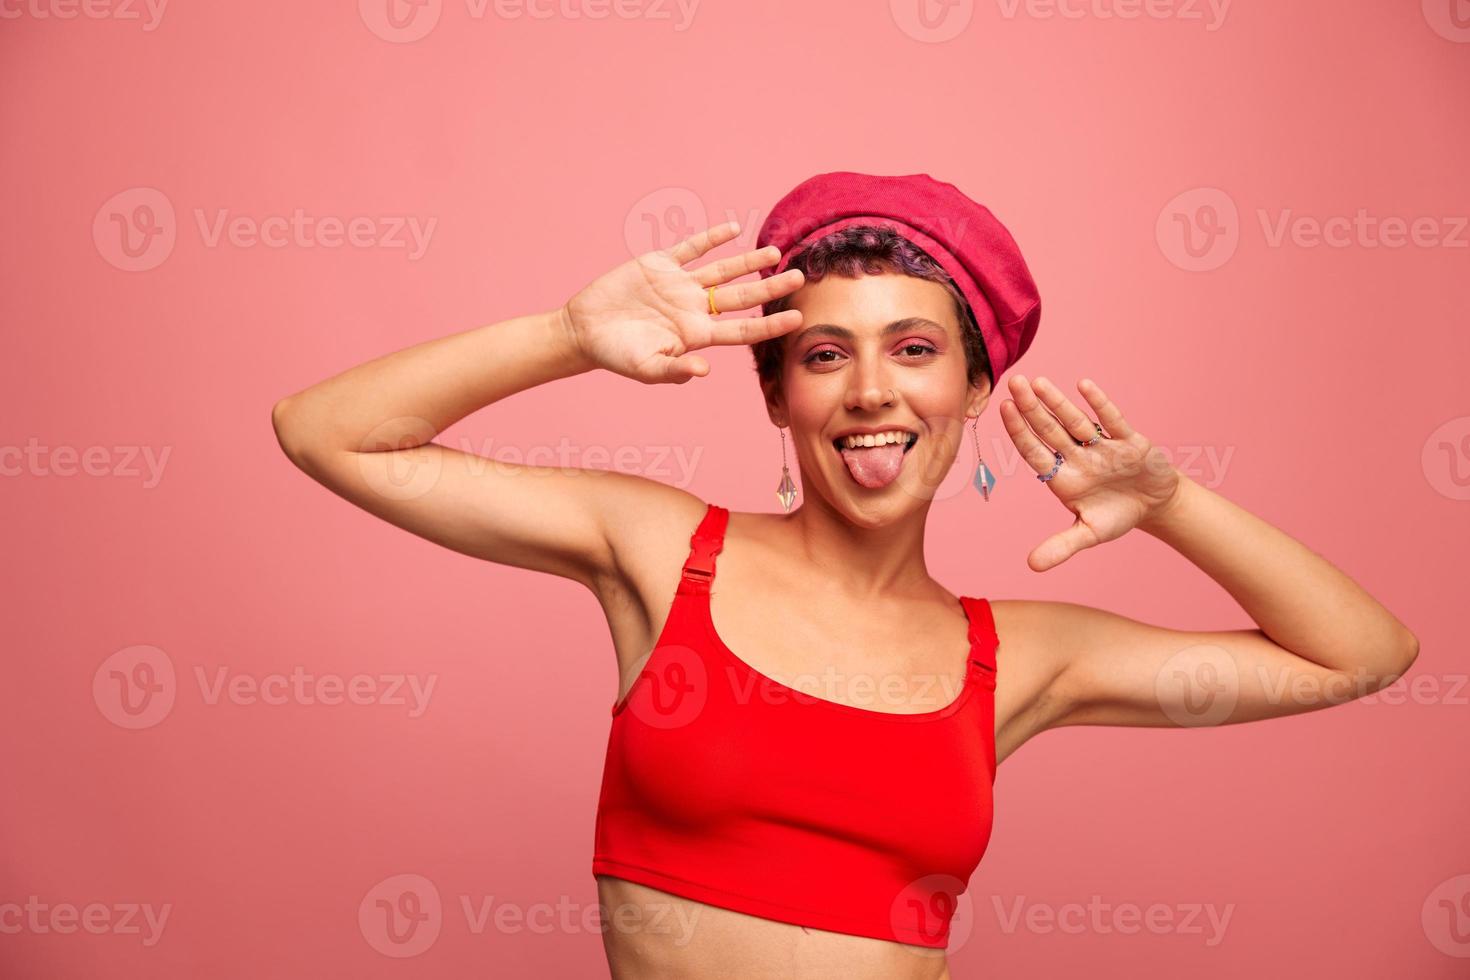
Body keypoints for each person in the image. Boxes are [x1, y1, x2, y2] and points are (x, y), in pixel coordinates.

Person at [270, 172, 1419, 980]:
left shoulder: (1016, 656)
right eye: (825, 354)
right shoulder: (663, 552)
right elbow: (329, 432)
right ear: (775, 395)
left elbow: (1361, 652)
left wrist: (1173, 506)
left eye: (916, 349)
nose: (872, 389)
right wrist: (569, 334)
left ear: (974, 390)